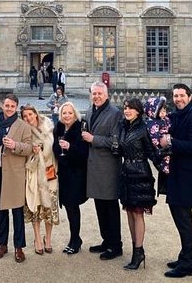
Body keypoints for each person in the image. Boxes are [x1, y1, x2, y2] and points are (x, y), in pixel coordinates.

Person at [159, 84, 192, 279]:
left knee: (184, 220)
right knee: (182, 219)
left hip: (186, 176)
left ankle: (187, 264)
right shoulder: (176, 116)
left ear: (189, 97)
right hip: (177, 175)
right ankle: (190, 257)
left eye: (181, 95)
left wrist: (170, 142)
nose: (178, 99)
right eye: (175, 96)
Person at [81, 81, 123, 260]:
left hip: (108, 167)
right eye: (94, 93)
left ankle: (116, 245)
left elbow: (116, 142)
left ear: (106, 95)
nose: (96, 96)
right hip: (94, 167)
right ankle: (106, 240)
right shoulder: (90, 111)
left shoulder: (115, 113)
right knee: (100, 206)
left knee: (111, 207)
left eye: (99, 93)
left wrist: (93, 139)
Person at [115, 98, 158, 271]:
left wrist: (165, 163)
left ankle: (138, 251)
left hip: (140, 173)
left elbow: (152, 153)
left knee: (138, 213)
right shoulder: (123, 126)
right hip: (126, 172)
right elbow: (119, 148)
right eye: (125, 108)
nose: (127, 111)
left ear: (138, 111)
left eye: (130, 108)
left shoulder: (143, 128)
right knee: (130, 212)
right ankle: (136, 249)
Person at [0, 94, 33, 263]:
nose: (9, 108)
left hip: (15, 174)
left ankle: (19, 247)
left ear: (16, 107)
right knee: (1, 212)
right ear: (3, 105)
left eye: (12, 106)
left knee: (17, 212)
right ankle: (2, 245)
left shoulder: (23, 126)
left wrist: (15, 145)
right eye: (6, 105)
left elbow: (29, 147)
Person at [21, 104, 58, 256]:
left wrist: (43, 150)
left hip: (50, 171)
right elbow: (22, 152)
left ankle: (47, 239)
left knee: (49, 207)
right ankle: (37, 238)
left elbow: (54, 148)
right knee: (35, 206)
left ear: (36, 114)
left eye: (30, 114)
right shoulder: (24, 131)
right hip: (34, 172)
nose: (28, 118)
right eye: (25, 116)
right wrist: (33, 151)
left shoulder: (48, 126)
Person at [52, 101, 88, 254]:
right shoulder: (59, 127)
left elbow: (84, 153)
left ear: (75, 114)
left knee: (73, 206)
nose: (67, 115)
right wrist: (60, 153)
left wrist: (69, 147)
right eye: (64, 113)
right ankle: (74, 239)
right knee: (68, 206)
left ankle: (75, 240)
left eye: (70, 113)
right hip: (64, 173)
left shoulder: (80, 127)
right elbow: (54, 146)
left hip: (76, 174)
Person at [144, 96, 172, 195]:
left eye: (164, 110)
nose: (163, 113)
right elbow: (154, 137)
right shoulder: (152, 122)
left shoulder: (165, 119)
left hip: (167, 142)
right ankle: (165, 169)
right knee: (165, 159)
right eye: (161, 111)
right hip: (160, 146)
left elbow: (170, 126)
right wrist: (159, 144)